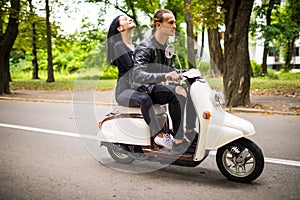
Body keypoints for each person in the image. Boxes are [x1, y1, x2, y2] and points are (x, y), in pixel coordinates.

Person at [130, 9, 197, 154]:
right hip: (145, 88)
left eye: (175, 23)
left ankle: (190, 132)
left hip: (159, 85)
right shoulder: (145, 46)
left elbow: (171, 69)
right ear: (158, 25)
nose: (174, 26)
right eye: (171, 22)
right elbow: (137, 74)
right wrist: (164, 77)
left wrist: (188, 73)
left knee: (192, 88)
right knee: (178, 92)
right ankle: (178, 142)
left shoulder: (166, 47)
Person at [106, 14, 174, 149]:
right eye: (125, 19)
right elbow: (133, 70)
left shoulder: (137, 46)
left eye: (129, 18)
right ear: (120, 28)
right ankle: (159, 136)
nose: (129, 19)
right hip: (125, 91)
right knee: (144, 99)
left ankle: (171, 132)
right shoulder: (119, 46)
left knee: (171, 94)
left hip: (140, 87)